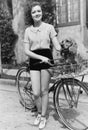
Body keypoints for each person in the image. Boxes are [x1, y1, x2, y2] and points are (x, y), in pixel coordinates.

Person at [24, 1, 61, 129]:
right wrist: (41, 57)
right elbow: (27, 51)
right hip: (35, 60)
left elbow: (56, 43)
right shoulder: (28, 30)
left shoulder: (49, 27)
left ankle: (44, 116)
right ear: (31, 14)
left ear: (42, 12)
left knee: (44, 90)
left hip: (48, 60)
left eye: (38, 11)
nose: (37, 13)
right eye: (34, 12)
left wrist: (62, 47)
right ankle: (39, 113)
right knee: (35, 92)